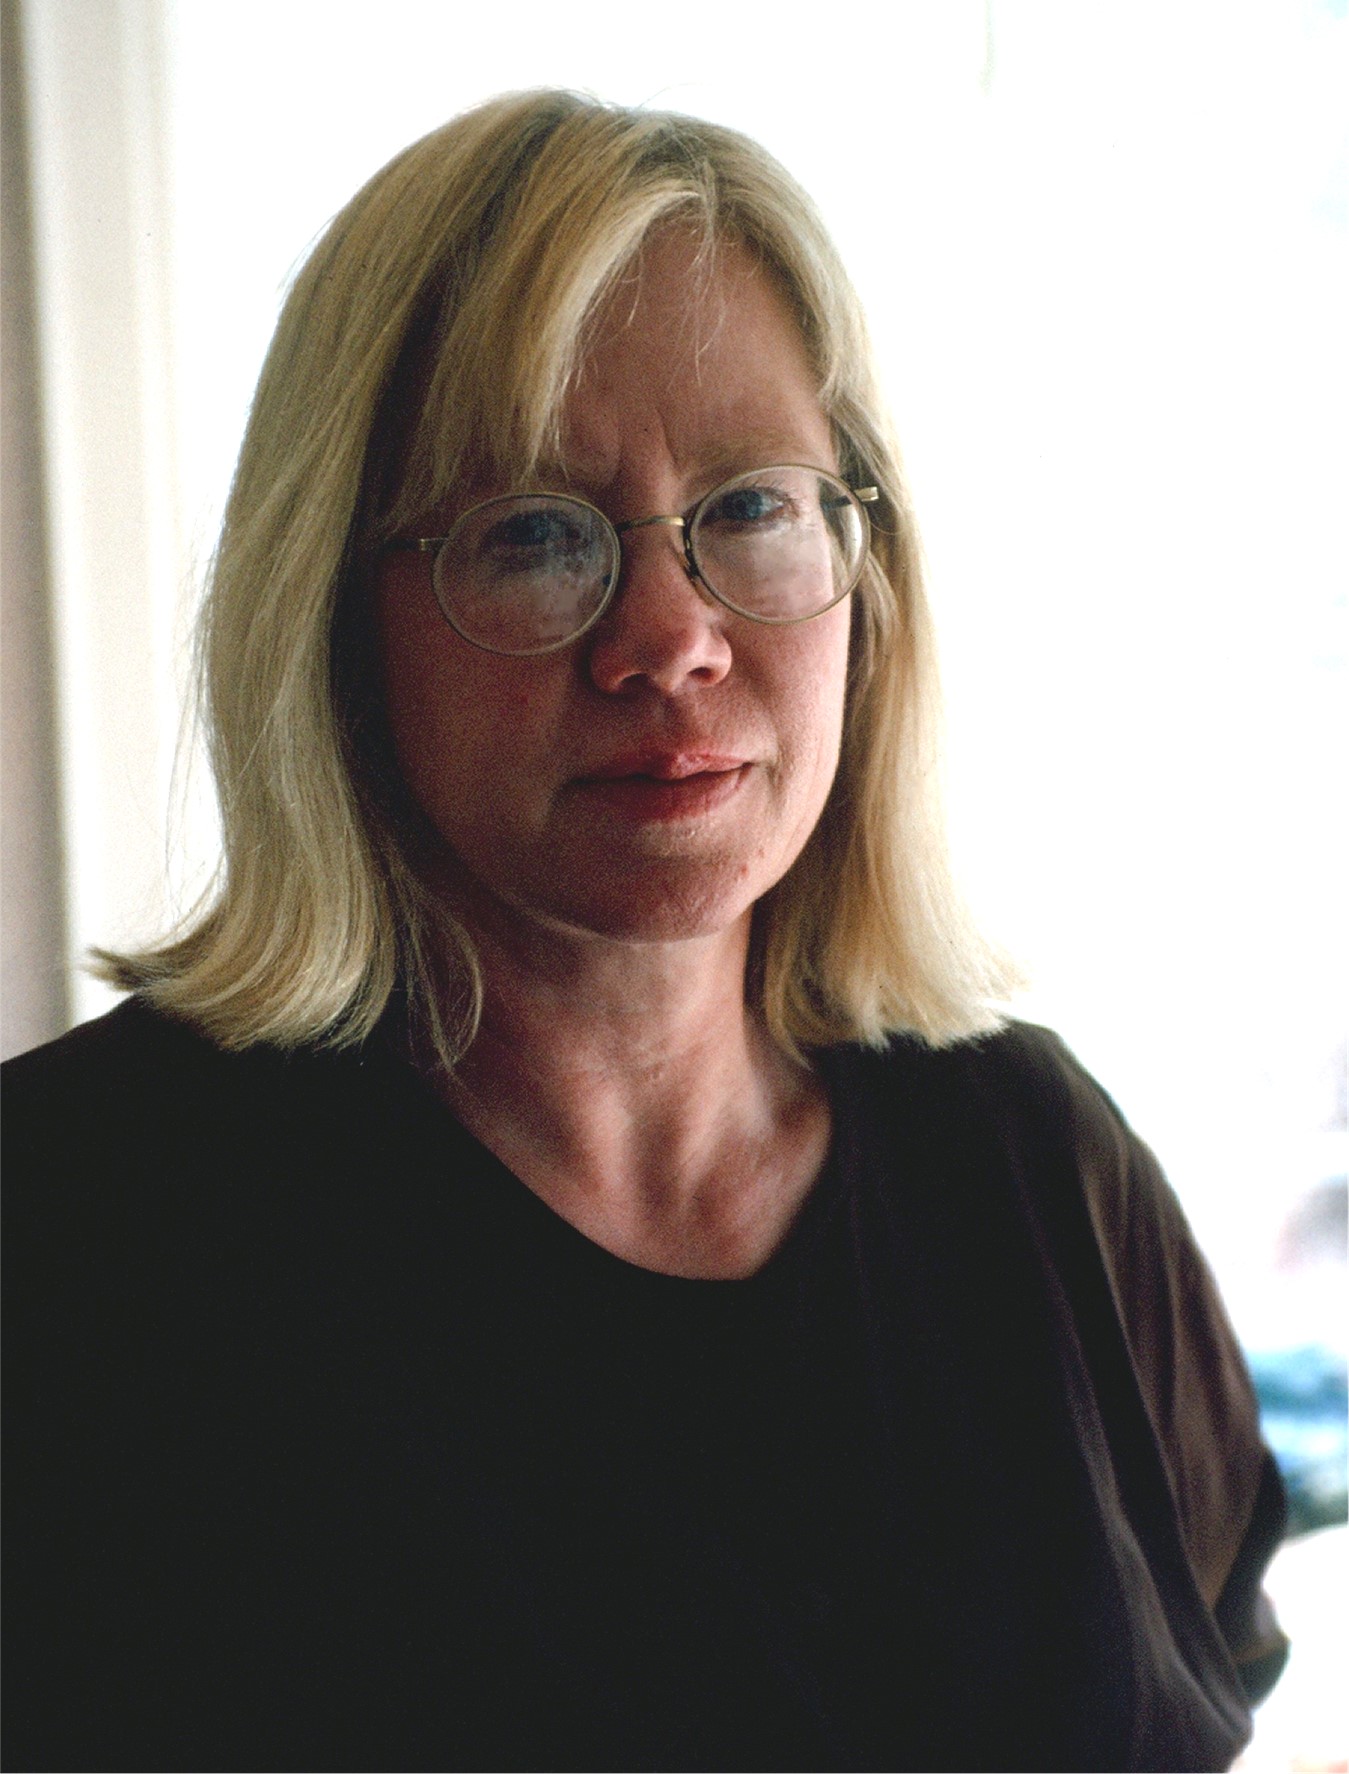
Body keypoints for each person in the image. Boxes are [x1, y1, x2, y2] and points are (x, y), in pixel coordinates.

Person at [2, 90, 1288, 1772]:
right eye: (534, 535)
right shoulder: (75, 1233)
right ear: (335, 614)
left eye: (750, 507)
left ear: (860, 568)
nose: (668, 638)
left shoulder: (1038, 1159)